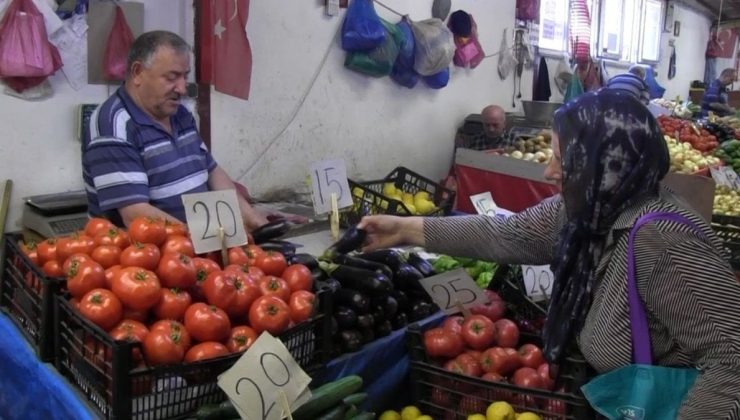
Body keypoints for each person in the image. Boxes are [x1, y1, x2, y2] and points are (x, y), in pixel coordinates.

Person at [359, 89, 740, 418]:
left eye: (564, 158)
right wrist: (405, 229)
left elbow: (732, 360)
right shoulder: (586, 210)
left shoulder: (664, 240)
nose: (549, 172)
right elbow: (506, 233)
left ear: (606, 164)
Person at [82, 31, 269, 230]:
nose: (181, 88)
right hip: (150, 254)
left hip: (193, 245)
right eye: (172, 77)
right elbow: (136, 215)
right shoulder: (113, 127)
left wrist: (253, 219)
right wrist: (201, 239)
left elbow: (211, 170)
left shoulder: (179, 113)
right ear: (137, 73)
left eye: (184, 77)